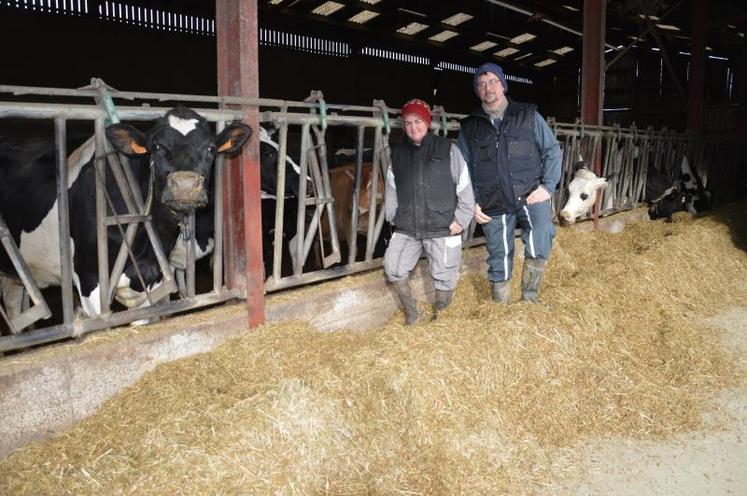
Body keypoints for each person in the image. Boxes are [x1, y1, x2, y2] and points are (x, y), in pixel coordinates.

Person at [458, 63, 562, 303]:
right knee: (499, 254)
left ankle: (530, 298)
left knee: (542, 234)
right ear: (477, 90)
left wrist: (547, 187)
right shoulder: (470, 127)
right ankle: (501, 310)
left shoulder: (528, 116)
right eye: (481, 84)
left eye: (493, 81)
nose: (488, 88)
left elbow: (552, 150)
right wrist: (471, 202)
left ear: (503, 85)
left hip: (529, 194)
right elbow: (461, 169)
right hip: (492, 200)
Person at [384, 98, 475, 325]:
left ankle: (441, 319)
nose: (413, 127)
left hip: (442, 225)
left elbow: (464, 186)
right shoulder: (397, 154)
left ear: (427, 122)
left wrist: (462, 219)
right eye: (408, 123)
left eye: (418, 121)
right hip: (408, 226)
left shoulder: (448, 149)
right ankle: (413, 314)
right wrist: (394, 216)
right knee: (393, 267)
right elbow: (391, 188)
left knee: (444, 276)